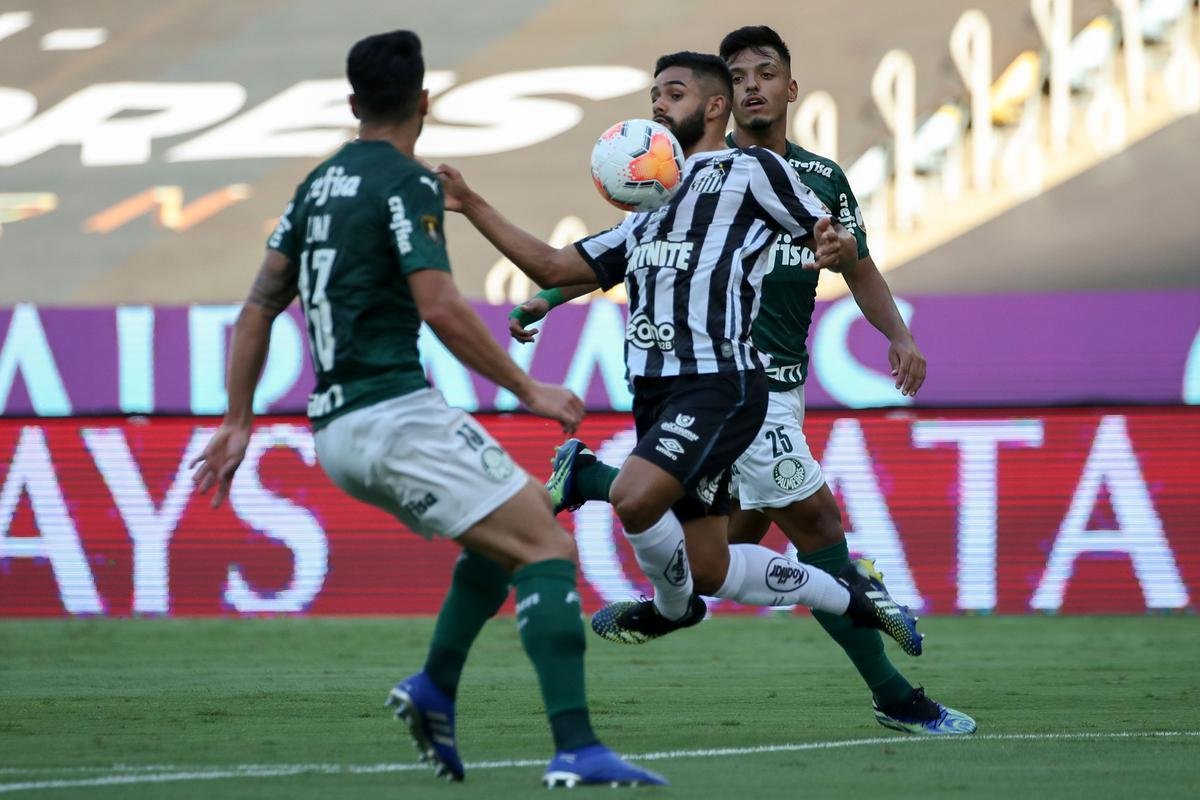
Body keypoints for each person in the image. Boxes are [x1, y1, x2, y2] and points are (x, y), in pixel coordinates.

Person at [189, 30, 666, 788]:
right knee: (547, 547)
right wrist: (530, 390)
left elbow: (258, 306)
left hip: (335, 429)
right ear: (425, 101)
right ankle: (575, 747)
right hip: (394, 414)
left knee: (506, 537)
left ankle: (436, 688)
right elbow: (439, 304)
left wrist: (237, 421)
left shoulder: (315, 187)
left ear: (352, 103)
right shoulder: (408, 183)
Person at [510, 27, 975, 737]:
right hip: (731, 385)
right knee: (818, 529)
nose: (753, 84)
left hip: (775, 386)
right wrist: (549, 295)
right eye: (739, 75)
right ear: (723, 99)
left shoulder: (818, 178)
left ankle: (651, 572)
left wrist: (899, 334)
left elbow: (854, 263)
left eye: (766, 72)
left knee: (720, 553)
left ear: (791, 88)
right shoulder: (690, 171)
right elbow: (631, 251)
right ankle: (891, 686)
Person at [436, 52, 923, 659]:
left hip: (723, 382)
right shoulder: (651, 204)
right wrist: (471, 204)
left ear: (715, 107)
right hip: (658, 392)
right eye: (655, 98)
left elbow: (825, 232)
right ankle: (851, 597)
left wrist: (832, 243)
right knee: (713, 564)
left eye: (673, 94)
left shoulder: (749, 169)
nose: (659, 107)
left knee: (656, 500)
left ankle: (664, 590)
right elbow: (557, 265)